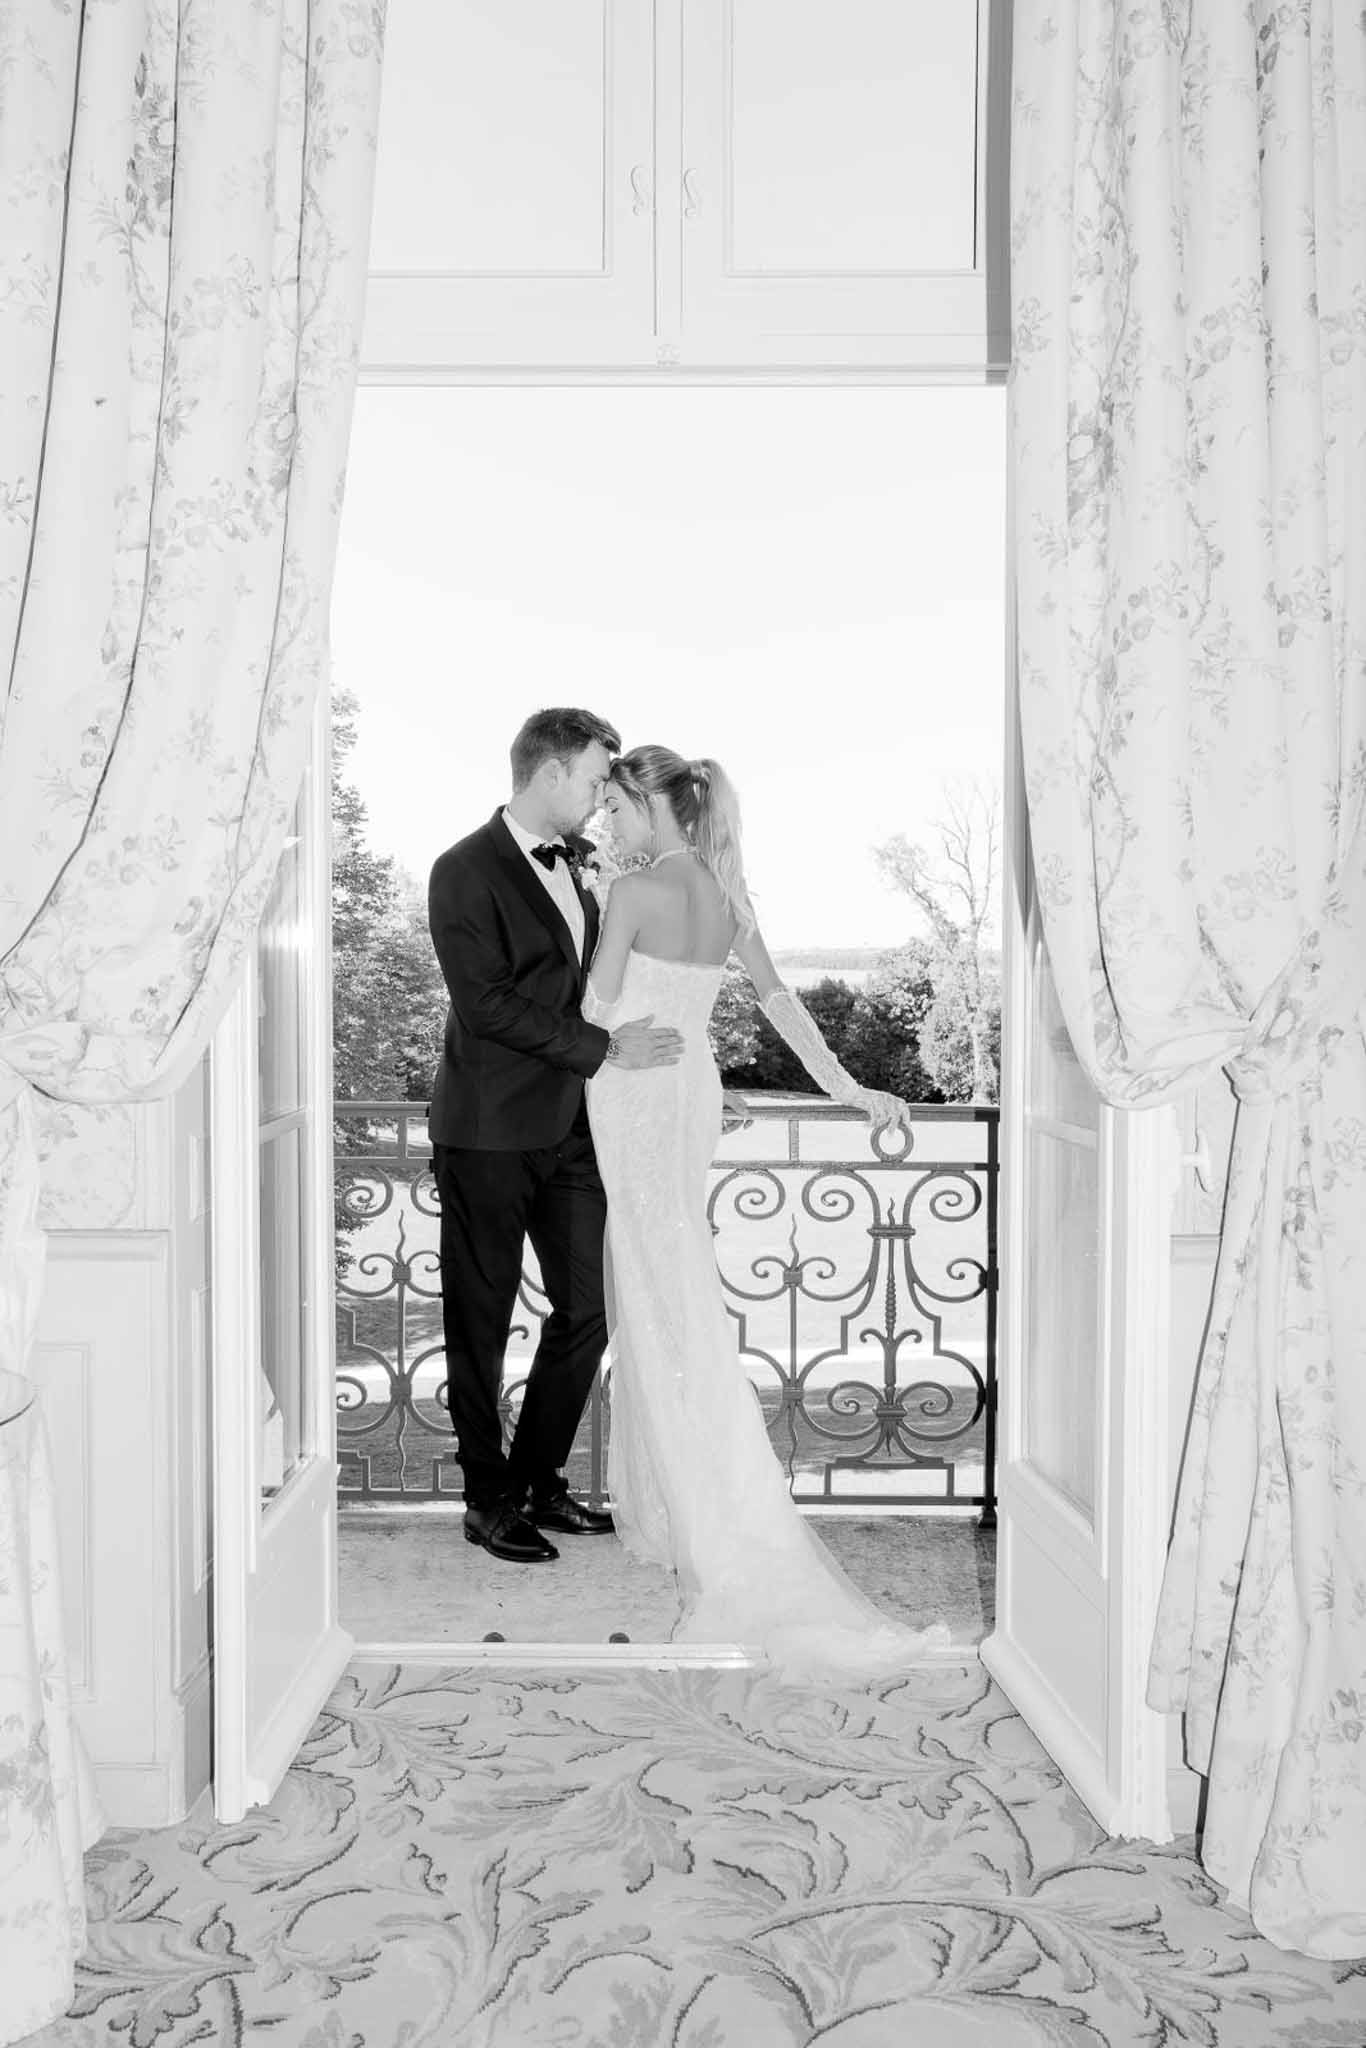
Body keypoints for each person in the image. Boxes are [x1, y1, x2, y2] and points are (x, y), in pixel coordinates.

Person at [584, 746, 950, 1678]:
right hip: (693, 1088)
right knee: (677, 1287)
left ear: (653, 803)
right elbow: (784, 1006)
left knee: (655, 1288)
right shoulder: (727, 894)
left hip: (635, 1092)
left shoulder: (633, 890)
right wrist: (851, 1089)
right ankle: (697, 1502)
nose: (610, 824)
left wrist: (610, 1032)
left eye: (618, 807)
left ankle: (702, 1513)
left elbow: (597, 1014)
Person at [427, 709, 683, 1564]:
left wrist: (675, 1071)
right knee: (481, 1319)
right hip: (489, 1132)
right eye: (593, 776)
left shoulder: (582, 867)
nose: (602, 792)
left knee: (589, 1307)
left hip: (575, 1129)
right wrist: (603, 1050)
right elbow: (487, 1004)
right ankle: (486, 1498)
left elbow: (601, 987)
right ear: (548, 774)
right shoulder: (462, 870)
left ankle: (537, 1479)